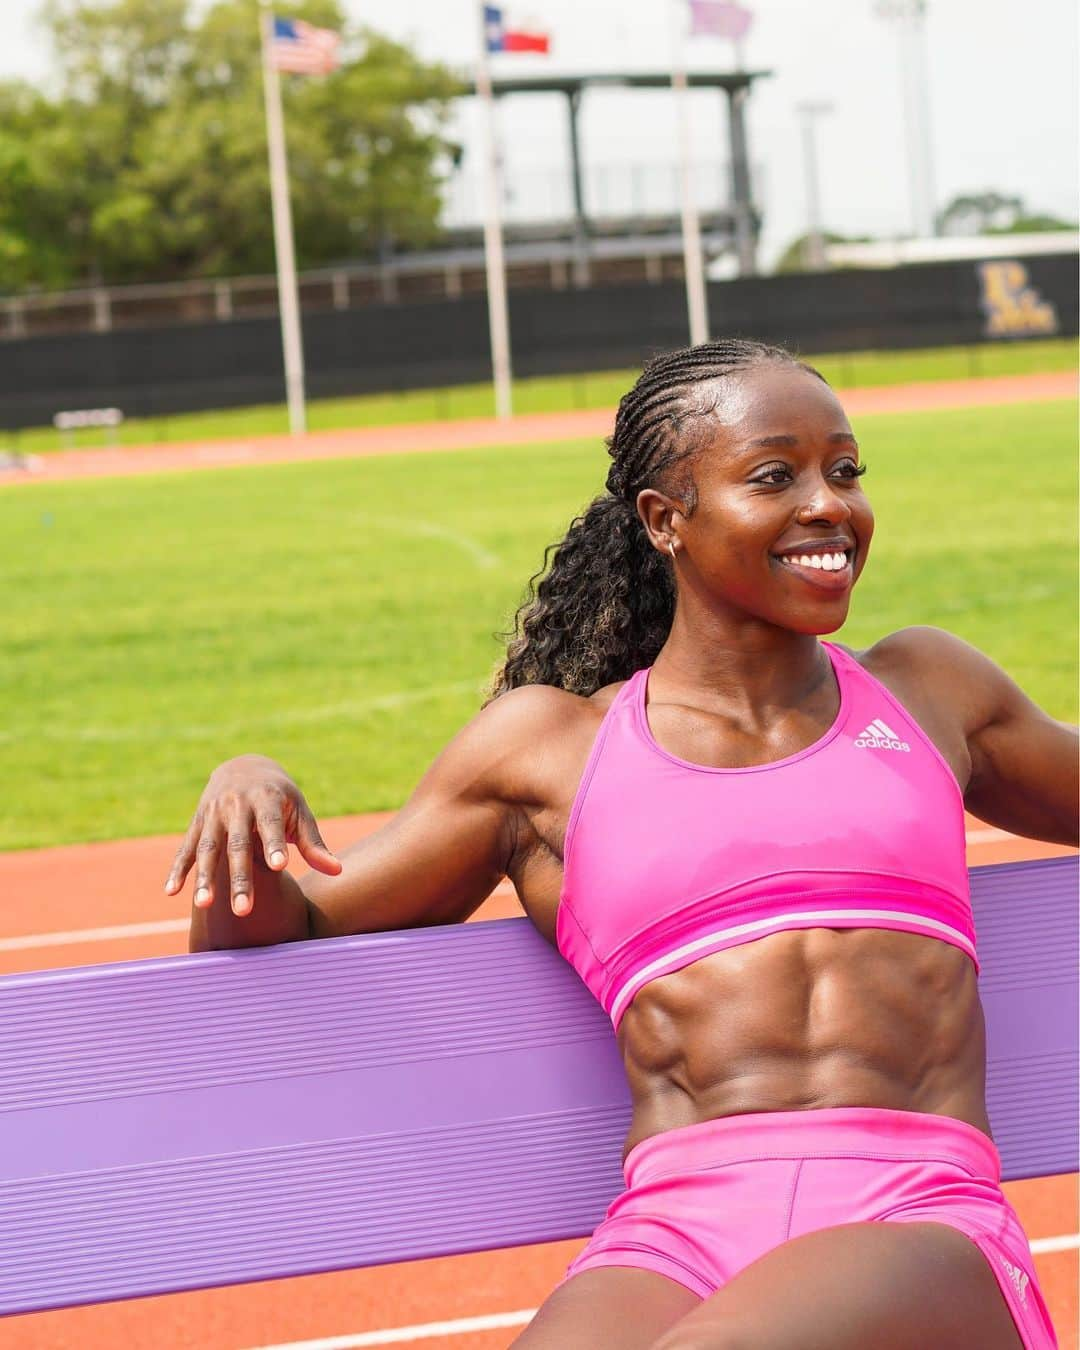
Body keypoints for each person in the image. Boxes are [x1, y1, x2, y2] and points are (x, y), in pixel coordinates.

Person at [165, 339, 1077, 1349]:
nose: (829, 504)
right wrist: (244, 788)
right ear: (664, 520)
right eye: (775, 475)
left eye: (846, 470)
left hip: (917, 1214)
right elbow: (286, 928)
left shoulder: (928, 693)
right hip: (674, 1233)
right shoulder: (548, 754)